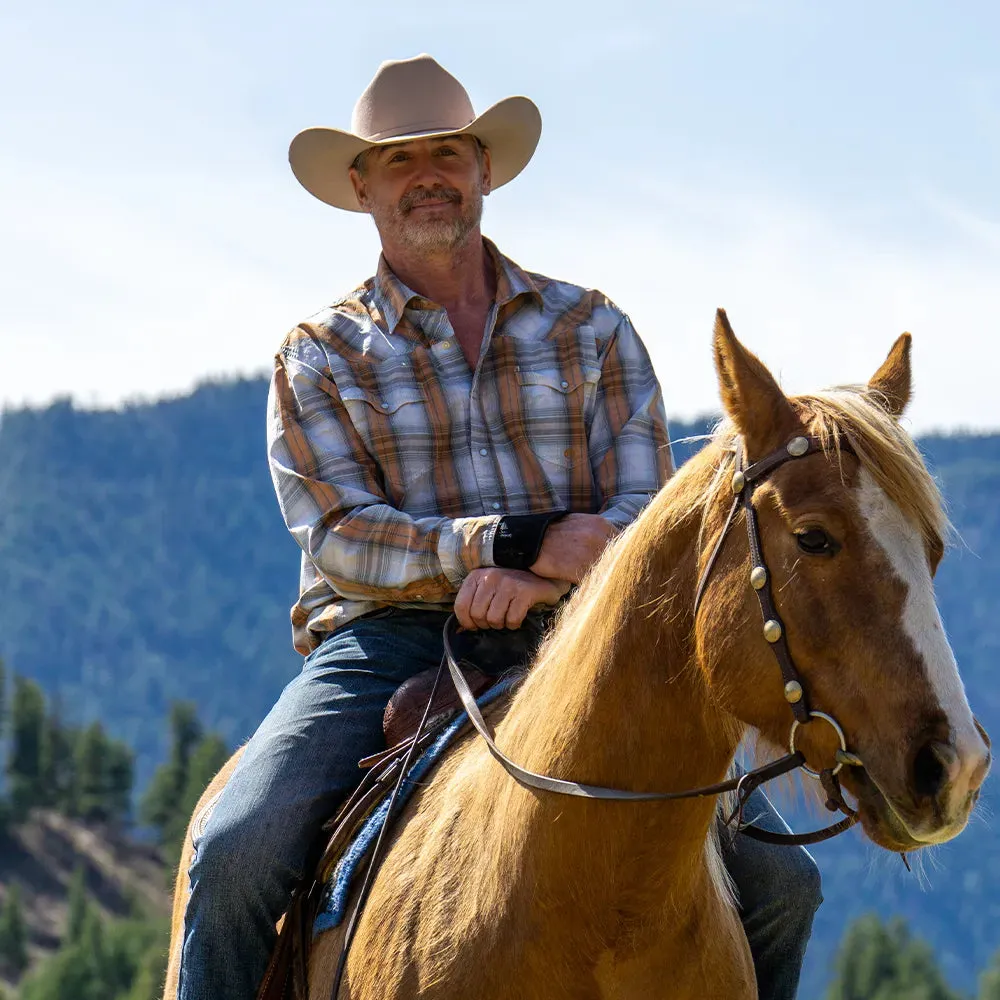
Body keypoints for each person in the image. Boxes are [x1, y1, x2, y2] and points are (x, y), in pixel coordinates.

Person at [176, 54, 822, 999]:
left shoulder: (593, 329)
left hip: (584, 639)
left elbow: (648, 520)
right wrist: (506, 546)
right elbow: (342, 537)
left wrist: (543, 584)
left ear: (484, 168)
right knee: (239, 850)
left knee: (782, 886)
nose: (427, 175)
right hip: (383, 644)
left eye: (447, 152)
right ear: (362, 187)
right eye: (399, 160)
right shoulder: (319, 356)